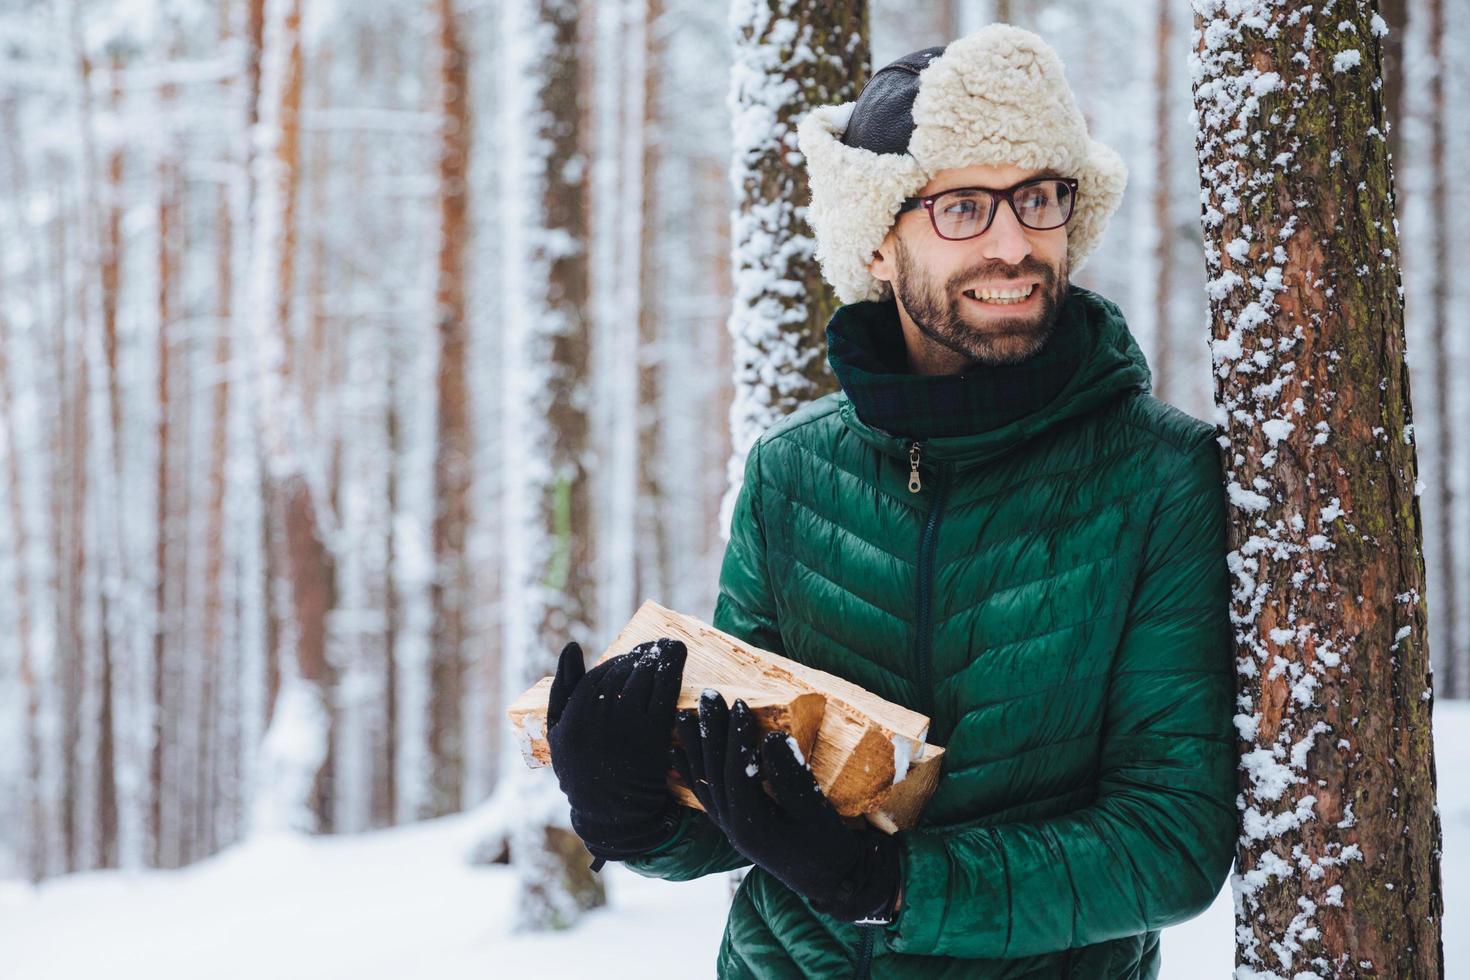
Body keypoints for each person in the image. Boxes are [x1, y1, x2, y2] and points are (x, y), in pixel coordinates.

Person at [544, 24, 1235, 979]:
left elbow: (1170, 842)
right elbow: (749, 803)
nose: (1013, 241)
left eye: (1038, 196)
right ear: (876, 241)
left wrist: (893, 883)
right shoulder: (792, 472)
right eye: (961, 206)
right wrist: (634, 809)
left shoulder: (1161, 477)